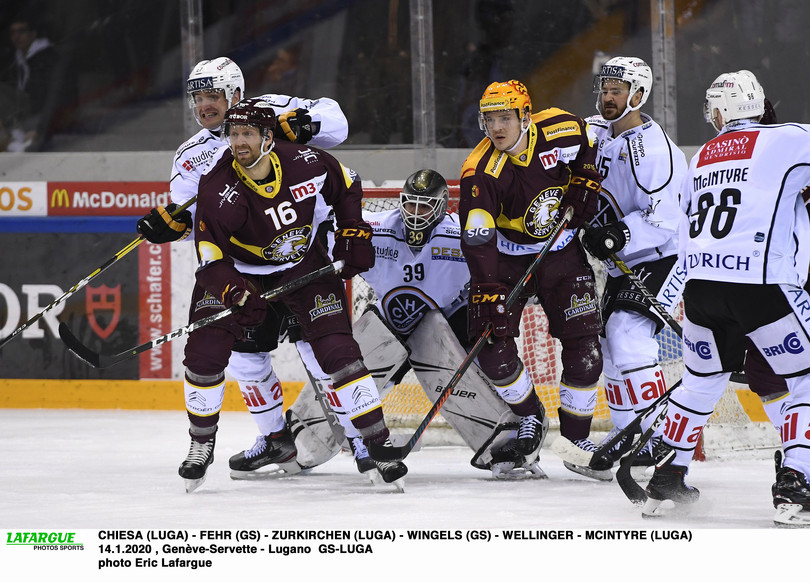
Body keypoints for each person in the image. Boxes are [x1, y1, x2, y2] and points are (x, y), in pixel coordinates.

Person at [134, 57, 352, 489]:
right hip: (244, 270)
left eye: (212, 95)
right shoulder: (192, 154)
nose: (204, 105)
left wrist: (296, 124)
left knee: (318, 351)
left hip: (299, 256)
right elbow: (190, 217)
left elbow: (337, 123)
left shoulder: (269, 110)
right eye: (197, 97)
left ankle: (364, 445)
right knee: (247, 359)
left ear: (234, 93)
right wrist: (168, 224)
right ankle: (275, 439)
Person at [182, 96, 406, 493]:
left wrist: (354, 229)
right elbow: (210, 256)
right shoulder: (217, 187)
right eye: (233, 134)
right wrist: (234, 291)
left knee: (338, 352)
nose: (238, 142)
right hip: (239, 272)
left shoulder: (305, 160)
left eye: (248, 133)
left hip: (304, 265)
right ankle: (201, 445)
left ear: (269, 137)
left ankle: (376, 442)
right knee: (204, 353)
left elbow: (348, 182)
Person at [641, 70, 810, 527]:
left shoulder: (701, 158)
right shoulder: (786, 139)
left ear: (720, 112)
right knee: (805, 379)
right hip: (760, 286)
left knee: (699, 384)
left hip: (701, 290)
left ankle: (667, 482)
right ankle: (797, 483)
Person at [458, 79, 611, 480]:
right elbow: (478, 238)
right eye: (489, 119)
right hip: (506, 261)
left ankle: (576, 439)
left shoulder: (560, 127)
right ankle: (530, 417)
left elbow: (588, 148)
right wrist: (489, 288)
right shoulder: (480, 171)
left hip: (561, 253)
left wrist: (585, 181)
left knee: (584, 348)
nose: (497, 128)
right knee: (490, 343)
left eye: (505, 117)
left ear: (525, 117)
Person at [580, 57, 688, 470]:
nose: (608, 97)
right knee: (609, 342)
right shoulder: (600, 132)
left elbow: (665, 218)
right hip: (629, 258)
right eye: (605, 90)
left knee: (627, 333)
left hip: (666, 252)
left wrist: (617, 234)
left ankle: (659, 436)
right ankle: (629, 431)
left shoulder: (650, 147)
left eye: (617, 91)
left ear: (638, 95)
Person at [1, 12, 57, 151]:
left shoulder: (47, 58)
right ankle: (13, 136)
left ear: (33, 34)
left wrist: (40, 128)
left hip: (39, 114)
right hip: (25, 110)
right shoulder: (18, 57)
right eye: (13, 32)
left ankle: (17, 138)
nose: (17, 36)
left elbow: (52, 97)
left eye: (22, 31)